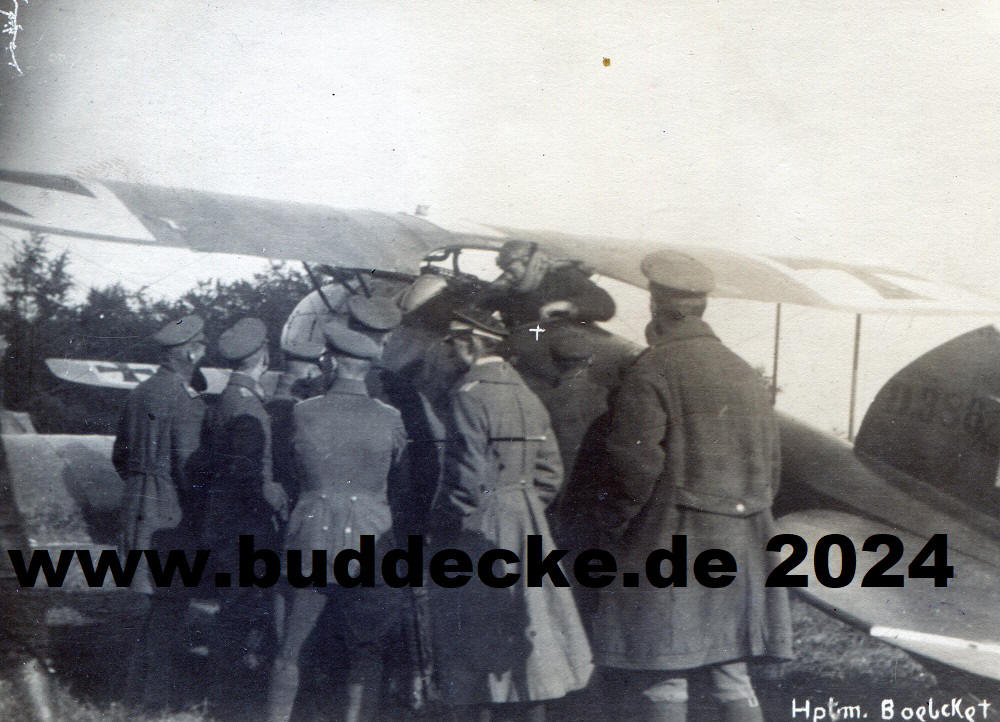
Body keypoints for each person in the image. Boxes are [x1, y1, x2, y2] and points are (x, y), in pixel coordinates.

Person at [592, 250, 792, 722]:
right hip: (743, 541)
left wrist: (614, 525)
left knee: (664, 672)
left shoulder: (653, 368)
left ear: (656, 307)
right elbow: (772, 467)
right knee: (732, 671)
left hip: (671, 539)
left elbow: (633, 464)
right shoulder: (744, 371)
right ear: (702, 307)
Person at [429, 308, 592, 722]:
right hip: (528, 519)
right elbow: (550, 472)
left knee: (478, 633)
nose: (451, 353)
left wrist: (457, 519)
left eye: (454, 344)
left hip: (483, 520)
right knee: (533, 627)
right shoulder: (527, 394)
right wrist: (523, 505)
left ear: (470, 343)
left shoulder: (468, 394)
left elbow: (467, 477)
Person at [267, 319, 408, 722]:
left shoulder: (302, 412)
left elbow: (287, 471)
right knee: (366, 650)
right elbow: (401, 480)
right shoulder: (390, 417)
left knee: (290, 647)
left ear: (329, 363)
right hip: (370, 540)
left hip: (311, 534)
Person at [113, 314, 210, 711]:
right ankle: (154, 702)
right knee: (170, 607)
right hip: (170, 514)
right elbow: (190, 469)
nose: (203, 354)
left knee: (154, 607)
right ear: (190, 353)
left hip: (136, 507)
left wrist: (143, 484)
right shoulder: (186, 400)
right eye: (201, 347)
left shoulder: (139, 393)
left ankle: (134, 694)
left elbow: (119, 457)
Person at [203, 317, 287, 710]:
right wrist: (272, 496)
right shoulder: (246, 404)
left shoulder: (228, 398)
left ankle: (224, 692)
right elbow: (246, 471)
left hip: (228, 519)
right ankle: (228, 699)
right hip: (245, 524)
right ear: (263, 354)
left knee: (234, 604)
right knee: (239, 606)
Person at [480, 240, 616, 327]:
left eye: (510, 271)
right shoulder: (517, 285)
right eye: (505, 271)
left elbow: (607, 306)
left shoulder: (564, 276)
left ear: (527, 262)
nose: (507, 276)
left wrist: (568, 306)